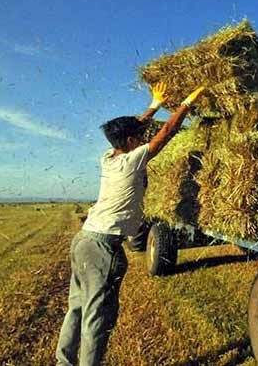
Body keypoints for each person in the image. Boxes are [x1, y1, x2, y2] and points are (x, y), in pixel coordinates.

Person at [55, 82, 204, 366]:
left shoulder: (109, 157)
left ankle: (64, 362)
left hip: (83, 241)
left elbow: (130, 131)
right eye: (137, 136)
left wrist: (155, 105)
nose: (140, 137)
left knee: (76, 307)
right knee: (97, 317)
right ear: (131, 142)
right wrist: (186, 103)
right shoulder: (133, 161)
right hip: (102, 248)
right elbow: (166, 134)